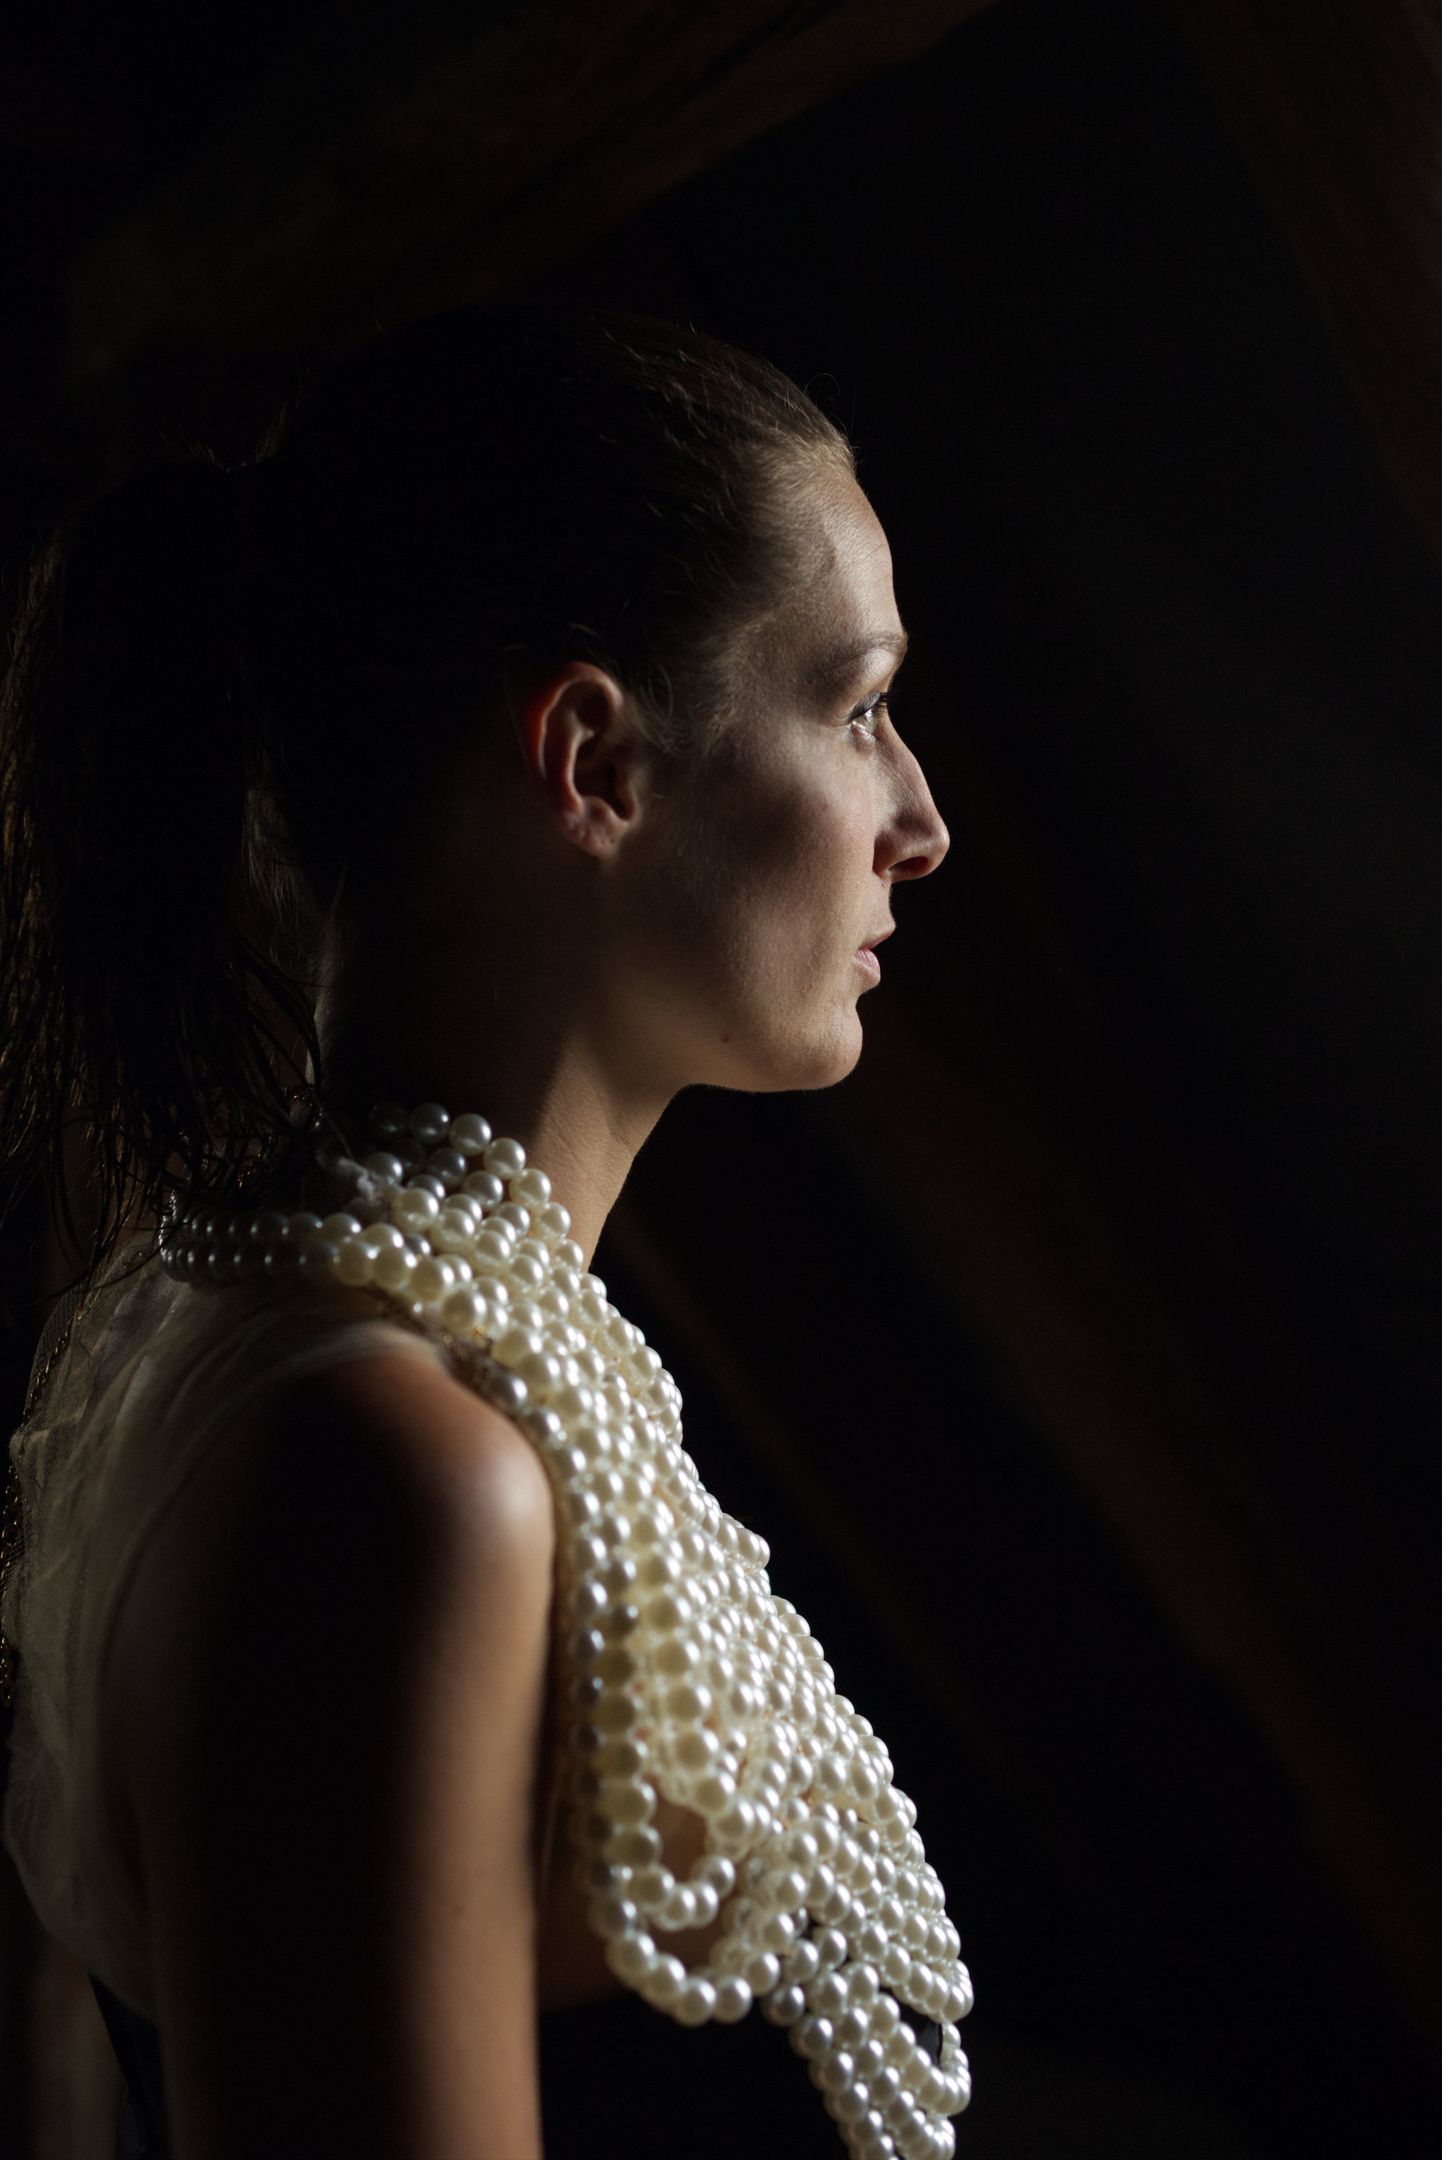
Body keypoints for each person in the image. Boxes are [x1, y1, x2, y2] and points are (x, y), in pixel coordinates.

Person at [0, 298, 965, 2159]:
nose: (916, 818)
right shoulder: (385, 1464)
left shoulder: (356, 1366)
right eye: (856, 709)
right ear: (592, 763)